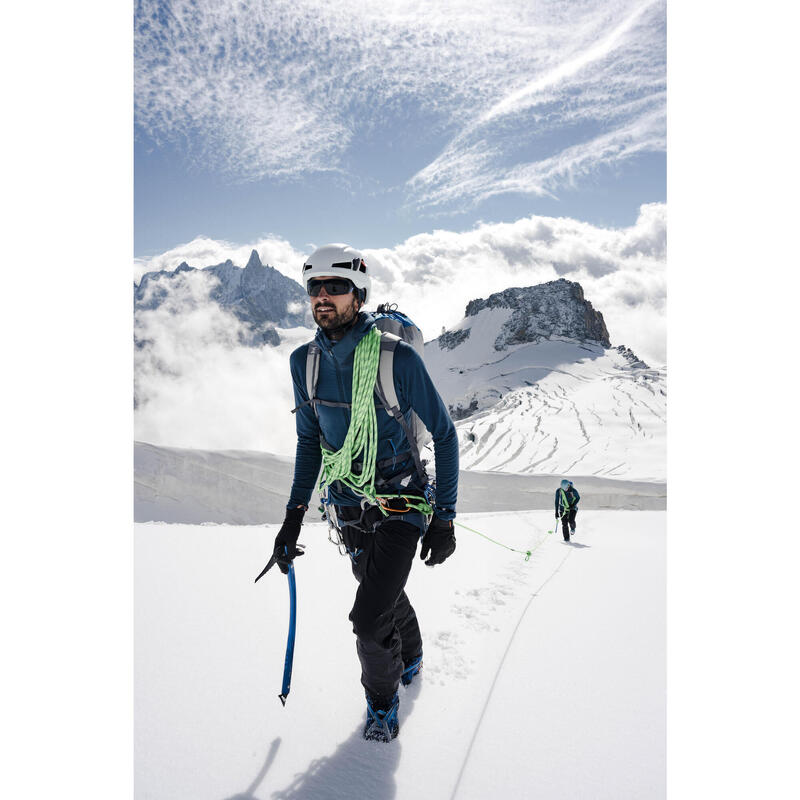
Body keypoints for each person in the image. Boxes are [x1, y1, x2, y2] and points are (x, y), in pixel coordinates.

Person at [256, 244, 459, 743]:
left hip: (400, 504)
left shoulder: (397, 360)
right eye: (314, 288)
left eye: (336, 287)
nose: (323, 297)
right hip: (347, 507)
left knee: (368, 619)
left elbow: (445, 435)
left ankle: (382, 706)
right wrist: (291, 518)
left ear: (358, 293)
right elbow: (309, 442)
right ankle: (410, 655)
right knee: (383, 592)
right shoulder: (303, 363)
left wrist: (446, 517)